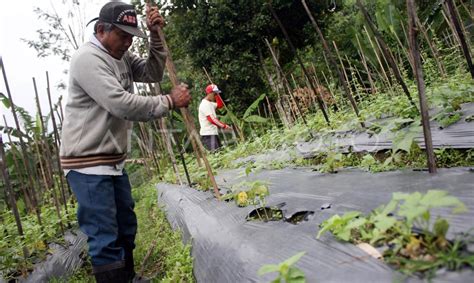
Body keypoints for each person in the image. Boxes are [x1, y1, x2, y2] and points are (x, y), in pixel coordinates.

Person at [59, 2, 191, 282]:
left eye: (132, 36)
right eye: (122, 35)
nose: (128, 42)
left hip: (112, 160)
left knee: (125, 226)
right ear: (101, 30)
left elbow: (152, 74)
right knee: (105, 235)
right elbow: (120, 104)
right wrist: (169, 101)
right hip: (87, 163)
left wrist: (155, 36)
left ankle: (127, 277)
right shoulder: (88, 60)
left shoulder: (121, 54)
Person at [198, 84, 231, 151]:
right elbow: (212, 119)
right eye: (214, 94)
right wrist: (224, 126)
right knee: (216, 154)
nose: (214, 96)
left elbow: (220, 105)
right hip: (208, 135)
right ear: (209, 93)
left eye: (215, 94)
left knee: (220, 153)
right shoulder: (204, 105)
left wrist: (217, 95)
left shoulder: (210, 103)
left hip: (213, 133)